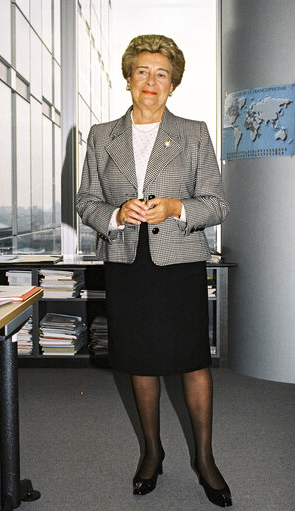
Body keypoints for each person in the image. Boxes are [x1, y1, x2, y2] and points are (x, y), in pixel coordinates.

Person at [76, 34, 231, 507]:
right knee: (140, 361)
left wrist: (177, 208)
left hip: (179, 262)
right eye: (142, 71)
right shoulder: (103, 135)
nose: (151, 80)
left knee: (192, 362)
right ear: (127, 79)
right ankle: (152, 451)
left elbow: (218, 203)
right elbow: (85, 201)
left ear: (173, 84)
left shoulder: (194, 132)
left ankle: (204, 458)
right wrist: (115, 215)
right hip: (127, 263)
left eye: (162, 73)